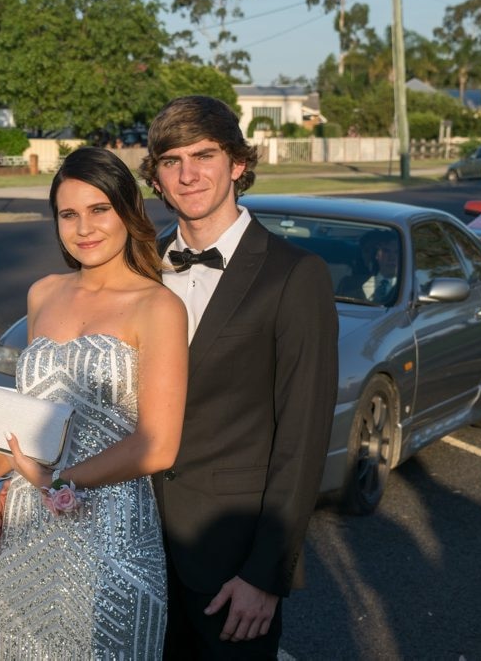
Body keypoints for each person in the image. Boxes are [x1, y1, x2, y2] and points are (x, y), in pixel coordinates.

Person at [137, 95, 339, 658]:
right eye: (171, 160)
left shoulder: (295, 275)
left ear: (238, 164)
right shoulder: (138, 267)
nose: (189, 174)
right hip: (133, 553)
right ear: (156, 176)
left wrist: (266, 574)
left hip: (232, 570)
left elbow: (302, 437)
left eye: (204, 155)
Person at [0, 146, 188, 657]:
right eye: (68, 214)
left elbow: (158, 446)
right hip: (26, 531)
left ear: (128, 213)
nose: (83, 228)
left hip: (111, 536)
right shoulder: (42, 294)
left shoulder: (158, 306)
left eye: (98, 210)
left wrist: (61, 482)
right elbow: (33, 418)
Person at [337, 230, 400, 304]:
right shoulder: (348, 284)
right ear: (377, 255)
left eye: (397, 252)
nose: (392, 258)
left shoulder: (410, 285)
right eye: (385, 251)